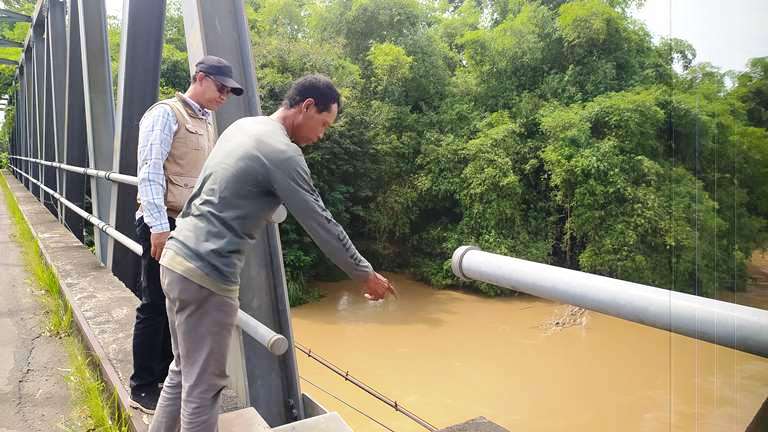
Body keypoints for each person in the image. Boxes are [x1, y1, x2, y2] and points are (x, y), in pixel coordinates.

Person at [149, 74, 397, 431]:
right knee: (204, 387)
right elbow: (321, 223)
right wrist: (365, 274)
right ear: (307, 107)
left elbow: (204, 191)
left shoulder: (242, 127)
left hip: (177, 259)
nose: (322, 135)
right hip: (207, 274)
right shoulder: (282, 153)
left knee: (182, 371)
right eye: (324, 124)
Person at [131, 55, 244, 414]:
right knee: (154, 304)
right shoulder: (165, 114)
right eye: (220, 87)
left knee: (178, 306)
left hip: (190, 226)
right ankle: (142, 386)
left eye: (229, 91)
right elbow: (150, 171)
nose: (224, 95)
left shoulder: (207, 121)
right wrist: (158, 229)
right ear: (200, 78)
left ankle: (168, 379)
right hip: (164, 223)